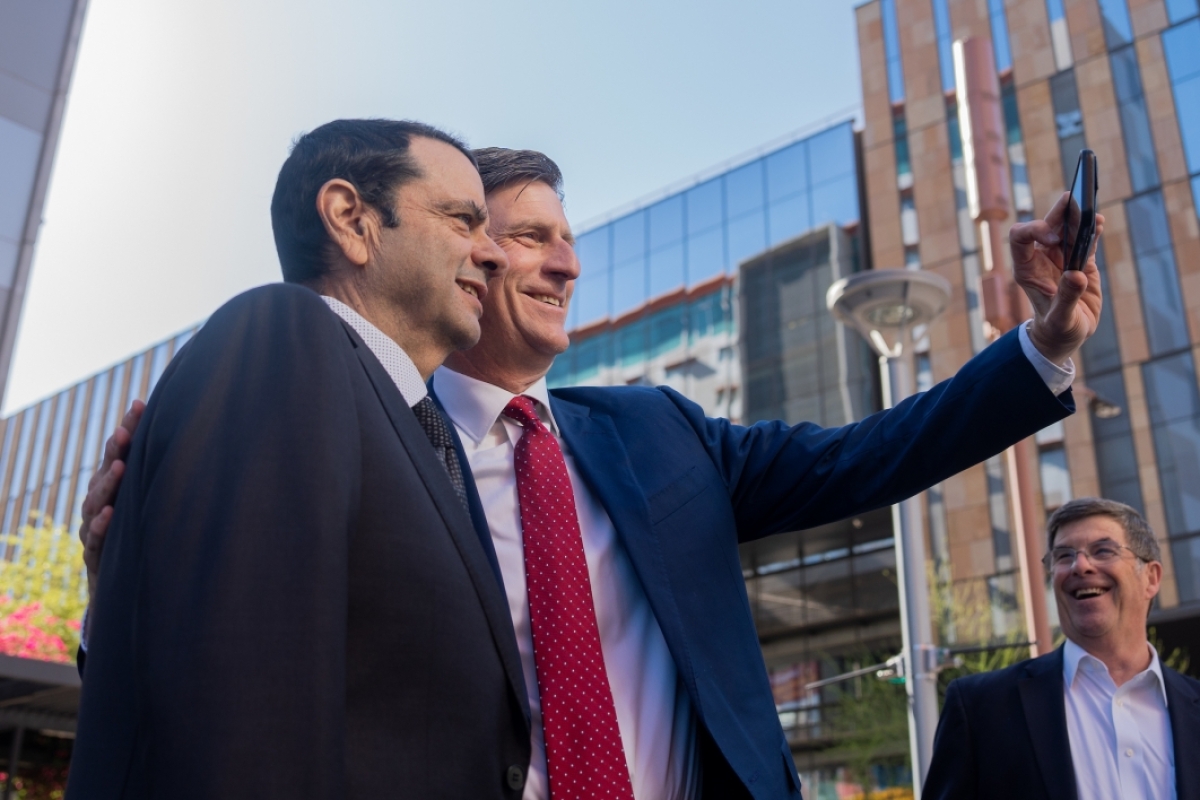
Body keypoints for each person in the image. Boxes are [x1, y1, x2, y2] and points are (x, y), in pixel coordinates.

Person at [79, 144, 1105, 800]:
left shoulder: (660, 432)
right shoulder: (364, 435)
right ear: (471, 257)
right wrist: (128, 574)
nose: (567, 264)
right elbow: (246, 664)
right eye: (529, 237)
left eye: (571, 241)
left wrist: (1045, 345)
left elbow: (870, 455)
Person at [66, 120, 535, 799]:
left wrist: (122, 601)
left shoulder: (423, 438)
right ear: (352, 219)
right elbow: (236, 716)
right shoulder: (283, 338)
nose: (493, 255)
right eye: (463, 220)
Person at [923, 497, 1200, 800]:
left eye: (1103, 551)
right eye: (1064, 556)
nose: (1080, 565)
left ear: (1151, 578)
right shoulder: (980, 708)